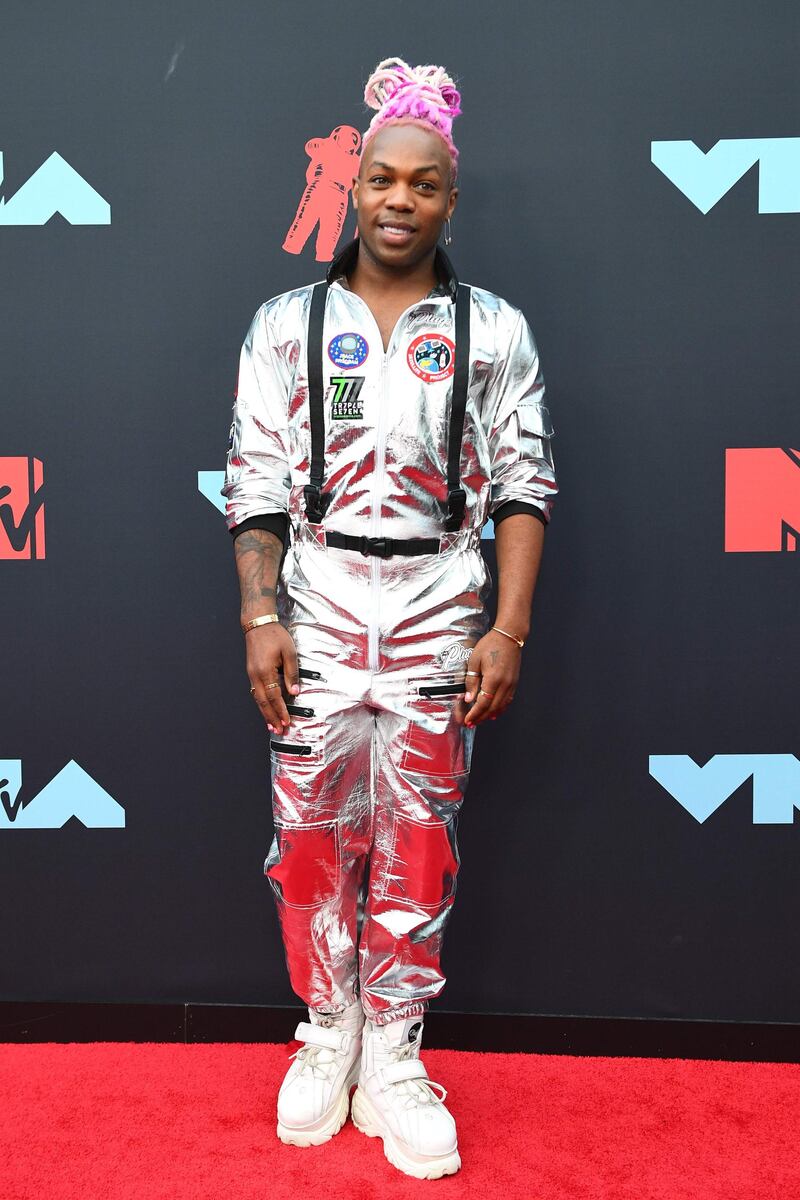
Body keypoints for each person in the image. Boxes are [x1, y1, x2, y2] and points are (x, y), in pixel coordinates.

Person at [223, 55, 557, 1181]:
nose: (399, 199)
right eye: (380, 179)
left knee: (416, 832)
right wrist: (260, 612)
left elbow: (522, 485)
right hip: (315, 600)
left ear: (449, 199)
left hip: (435, 603)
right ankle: (327, 1032)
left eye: (422, 182)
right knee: (311, 834)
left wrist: (503, 629)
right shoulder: (283, 324)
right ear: (352, 187)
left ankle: (398, 1051)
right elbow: (256, 482)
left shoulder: (494, 331)